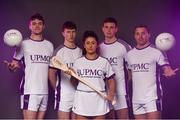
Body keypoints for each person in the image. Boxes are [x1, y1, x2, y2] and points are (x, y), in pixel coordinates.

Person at [4, 13, 54, 119]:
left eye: (40, 23)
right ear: (29, 26)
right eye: (34, 23)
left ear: (43, 26)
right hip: (30, 90)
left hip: (45, 91)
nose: (37, 26)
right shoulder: (23, 44)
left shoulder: (49, 45)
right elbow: (14, 64)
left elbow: (50, 69)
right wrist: (11, 67)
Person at [125, 25, 179, 119]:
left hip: (152, 98)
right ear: (134, 36)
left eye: (143, 33)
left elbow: (166, 68)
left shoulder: (157, 51)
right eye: (137, 34)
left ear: (149, 35)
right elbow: (130, 76)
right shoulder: (129, 55)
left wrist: (169, 72)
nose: (140, 36)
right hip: (136, 99)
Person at [67, 30, 116, 119]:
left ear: (97, 45)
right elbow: (73, 82)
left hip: (99, 100)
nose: (90, 45)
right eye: (88, 43)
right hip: (82, 100)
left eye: (93, 43)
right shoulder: (78, 62)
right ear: (84, 45)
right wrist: (72, 75)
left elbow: (111, 80)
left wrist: (111, 94)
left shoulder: (104, 62)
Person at [48, 21, 82, 119]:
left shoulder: (80, 52)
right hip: (64, 94)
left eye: (73, 32)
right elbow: (51, 74)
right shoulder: (58, 52)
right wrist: (57, 90)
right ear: (63, 33)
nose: (71, 35)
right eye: (68, 32)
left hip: (78, 93)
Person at [99, 17, 131, 119]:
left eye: (111, 27)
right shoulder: (98, 47)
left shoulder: (124, 46)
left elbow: (131, 70)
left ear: (116, 29)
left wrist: (126, 85)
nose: (109, 30)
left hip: (121, 91)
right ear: (102, 29)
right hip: (104, 91)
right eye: (106, 27)